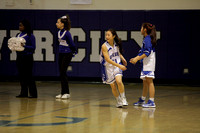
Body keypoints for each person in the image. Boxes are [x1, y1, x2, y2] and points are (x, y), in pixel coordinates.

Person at [130, 23, 157, 108]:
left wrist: (137, 59)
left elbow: (147, 52)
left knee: (149, 81)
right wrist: (136, 58)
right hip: (145, 63)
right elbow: (142, 52)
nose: (140, 29)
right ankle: (143, 99)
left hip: (149, 63)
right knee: (145, 82)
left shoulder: (147, 39)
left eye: (141, 27)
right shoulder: (146, 39)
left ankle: (152, 101)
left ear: (145, 29)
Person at [100, 29, 128, 108]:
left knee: (119, 81)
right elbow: (108, 60)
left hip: (116, 65)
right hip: (107, 67)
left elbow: (118, 52)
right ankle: (118, 101)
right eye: (106, 35)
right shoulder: (104, 46)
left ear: (114, 36)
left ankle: (123, 98)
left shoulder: (117, 44)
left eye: (108, 35)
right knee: (113, 86)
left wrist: (122, 58)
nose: (107, 36)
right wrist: (120, 66)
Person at [55, 14, 77, 99]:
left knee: (63, 72)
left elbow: (71, 44)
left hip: (67, 54)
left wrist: (74, 51)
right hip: (61, 54)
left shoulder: (67, 33)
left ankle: (67, 92)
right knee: (61, 73)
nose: (56, 24)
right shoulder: (58, 32)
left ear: (62, 24)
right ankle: (62, 92)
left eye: (58, 22)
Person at [15, 19, 38, 98]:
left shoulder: (30, 36)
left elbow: (33, 47)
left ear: (25, 26)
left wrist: (24, 46)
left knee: (29, 75)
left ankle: (33, 94)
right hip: (19, 57)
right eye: (19, 25)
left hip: (27, 57)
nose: (19, 27)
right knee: (21, 75)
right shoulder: (18, 35)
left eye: (21, 25)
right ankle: (23, 93)